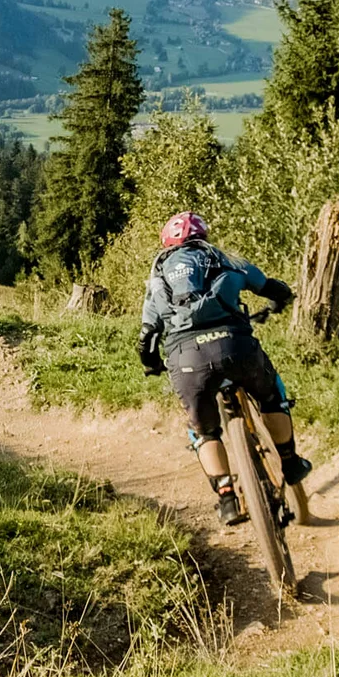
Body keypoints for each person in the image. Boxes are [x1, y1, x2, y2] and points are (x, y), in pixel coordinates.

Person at [137, 211, 310, 526]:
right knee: (272, 396)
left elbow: (148, 335)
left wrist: (151, 363)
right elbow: (269, 286)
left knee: (203, 431)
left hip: (186, 358)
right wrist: (280, 299)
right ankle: (290, 462)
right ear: (203, 237)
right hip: (235, 346)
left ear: (166, 244)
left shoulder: (158, 276)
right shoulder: (224, 258)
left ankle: (227, 496)